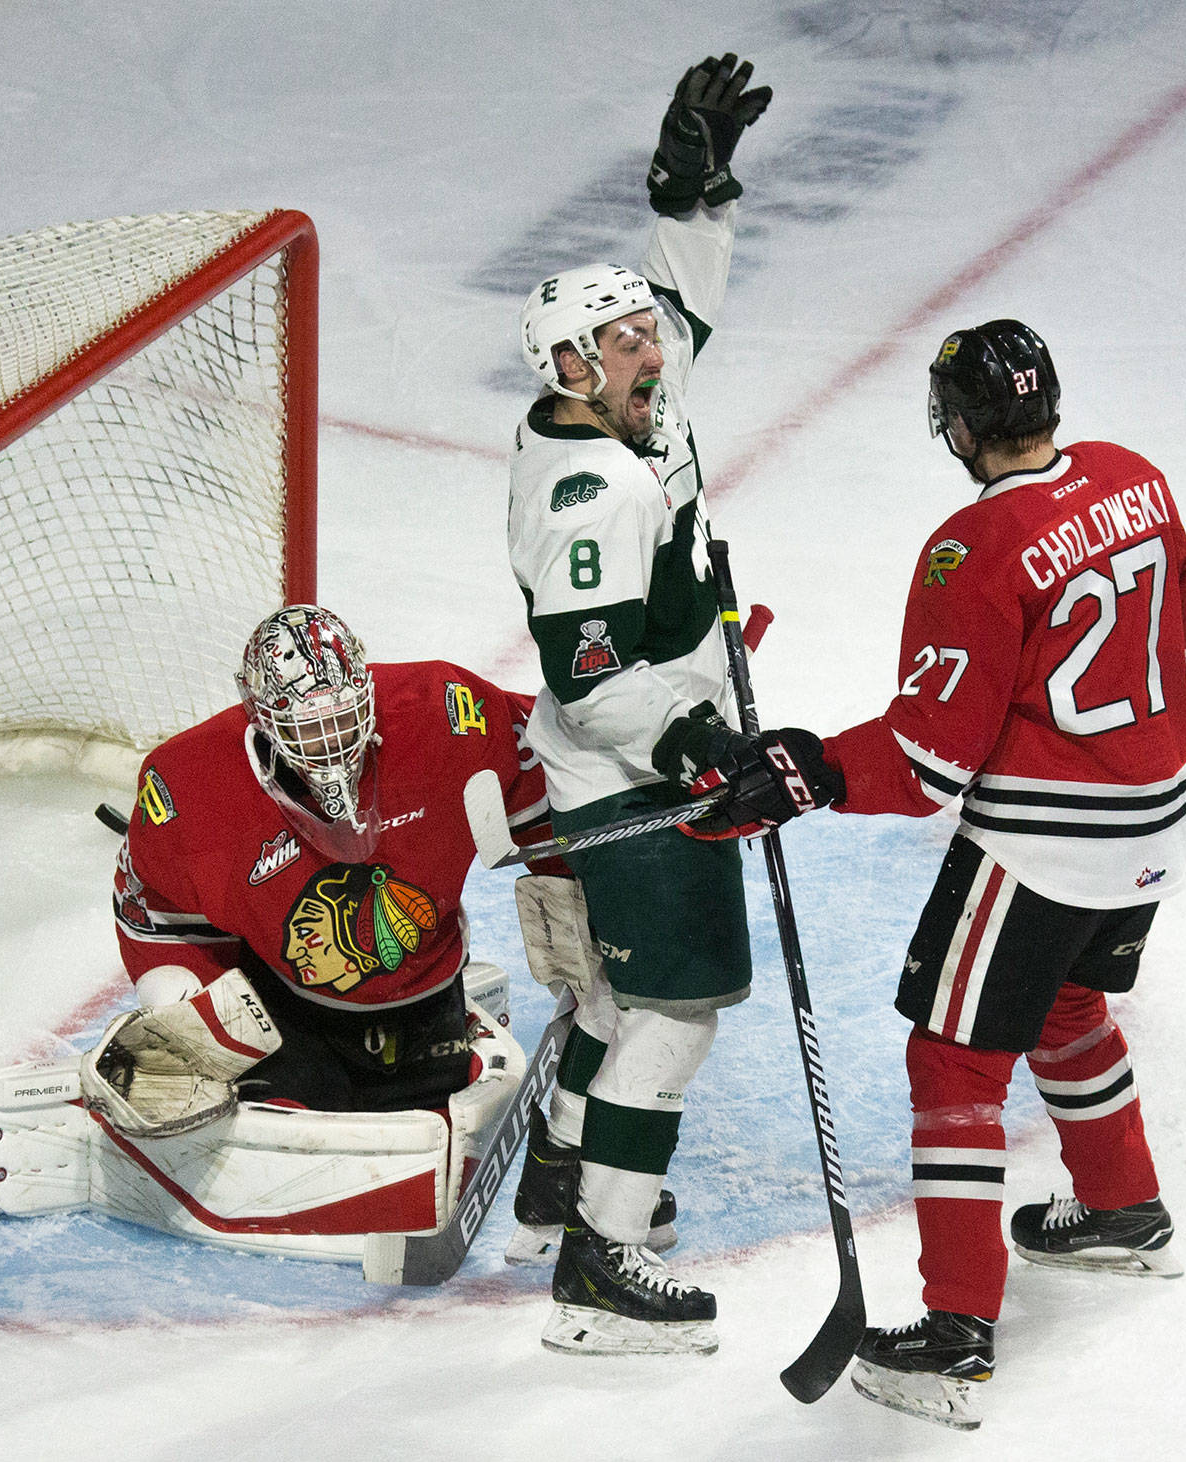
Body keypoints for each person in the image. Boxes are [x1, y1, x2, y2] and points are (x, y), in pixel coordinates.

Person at [686, 320, 1186, 1427]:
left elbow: (928, 764)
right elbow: (1176, 637)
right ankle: (1121, 1208)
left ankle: (955, 1332)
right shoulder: (1136, 481)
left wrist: (806, 769)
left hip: (1044, 847)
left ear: (958, 424)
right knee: (1063, 1001)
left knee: (953, 1063)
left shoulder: (971, 550)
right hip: (1157, 825)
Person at [0, 604, 559, 1261]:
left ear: (368, 691)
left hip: (424, 1002)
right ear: (260, 717)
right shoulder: (188, 785)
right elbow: (148, 911)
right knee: (175, 1076)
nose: (332, 745)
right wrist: (185, 1019)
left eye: (343, 718)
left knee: (416, 1121)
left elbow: (554, 771)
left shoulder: (449, 711)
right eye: (310, 727)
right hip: (281, 1008)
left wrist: (571, 889)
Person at [504, 53, 773, 1357]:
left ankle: (560, 1180)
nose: (648, 346)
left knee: (615, 1005)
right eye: (621, 340)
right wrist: (698, 741)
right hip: (630, 768)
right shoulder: (585, 496)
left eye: (641, 334)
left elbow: (686, 302)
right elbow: (589, 677)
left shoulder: (629, 400)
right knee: (672, 1014)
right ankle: (600, 1267)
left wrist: (691, 192)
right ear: (568, 365)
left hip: (646, 748)